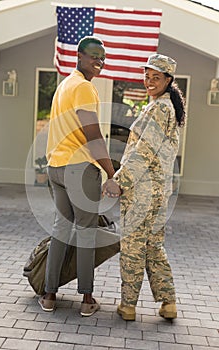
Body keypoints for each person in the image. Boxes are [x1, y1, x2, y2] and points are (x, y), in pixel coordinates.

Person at [39, 36, 120, 316]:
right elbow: (93, 136)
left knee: (61, 230)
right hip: (79, 170)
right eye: (94, 56)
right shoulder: (84, 88)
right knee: (85, 233)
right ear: (79, 56)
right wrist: (112, 173)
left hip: (56, 168)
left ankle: (49, 295)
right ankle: (87, 299)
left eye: (103, 58)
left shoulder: (64, 86)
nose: (99, 62)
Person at [103, 54, 186, 321]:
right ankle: (168, 302)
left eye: (156, 77)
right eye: (147, 76)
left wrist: (119, 181)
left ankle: (128, 306)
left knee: (133, 247)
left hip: (142, 191)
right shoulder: (163, 106)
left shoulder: (160, 108)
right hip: (158, 191)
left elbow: (144, 151)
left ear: (168, 80)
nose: (149, 81)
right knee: (152, 246)